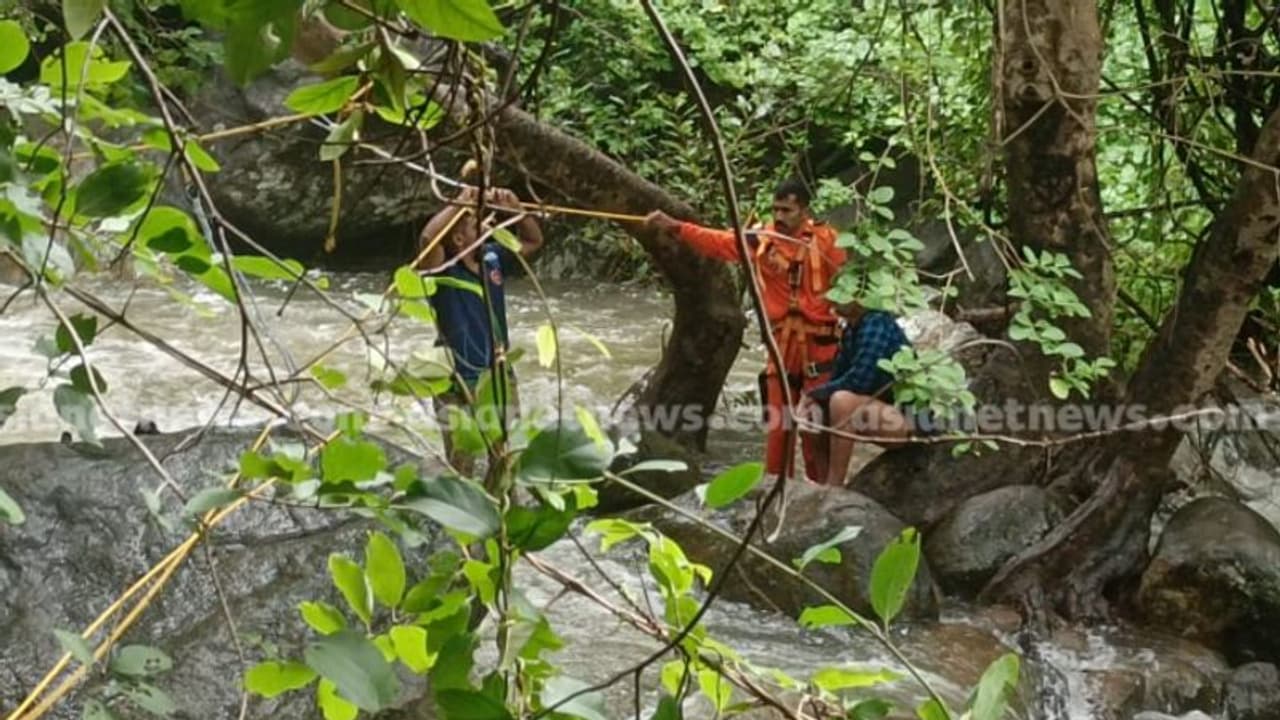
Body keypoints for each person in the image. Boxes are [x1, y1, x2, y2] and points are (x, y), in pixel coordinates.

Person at [644, 178, 846, 483]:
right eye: (776, 209)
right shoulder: (760, 240)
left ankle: (821, 492)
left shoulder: (829, 241)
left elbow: (849, 284)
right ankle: (776, 490)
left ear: (804, 210)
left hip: (821, 345)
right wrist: (677, 227)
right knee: (779, 429)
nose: (779, 216)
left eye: (787, 210)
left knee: (814, 428)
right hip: (782, 346)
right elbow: (719, 242)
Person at [415, 183, 544, 474]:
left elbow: (533, 241)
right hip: (455, 380)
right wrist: (461, 202)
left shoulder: (492, 259)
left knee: (507, 455)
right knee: (462, 461)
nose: (486, 225)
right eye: (476, 224)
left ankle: (500, 509)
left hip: (498, 374)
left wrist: (518, 211)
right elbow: (428, 239)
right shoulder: (441, 270)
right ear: (459, 239)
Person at [799, 300, 913, 486]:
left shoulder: (876, 322)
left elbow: (858, 381)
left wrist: (811, 394)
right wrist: (811, 403)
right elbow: (837, 378)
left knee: (841, 401)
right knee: (815, 412)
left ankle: (834, 486)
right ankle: (822, 483)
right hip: (877, 411)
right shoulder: (852, 328)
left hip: (907, 420)